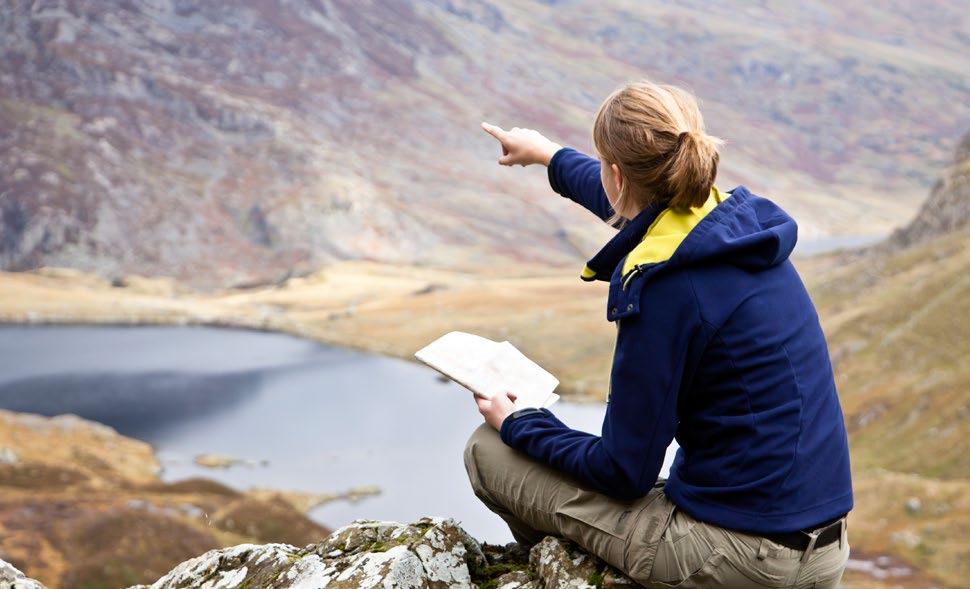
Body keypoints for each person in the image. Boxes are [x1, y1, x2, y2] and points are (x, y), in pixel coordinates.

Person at [465, 79, 853, 589]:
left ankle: (561, 574)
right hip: (822, 551)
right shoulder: (735, 230)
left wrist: (520, 422)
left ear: (619, 175)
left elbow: (624, 471)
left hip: (741, 560)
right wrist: (548, 155)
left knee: (488, 452)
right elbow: (631, 203)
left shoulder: (666, 288)